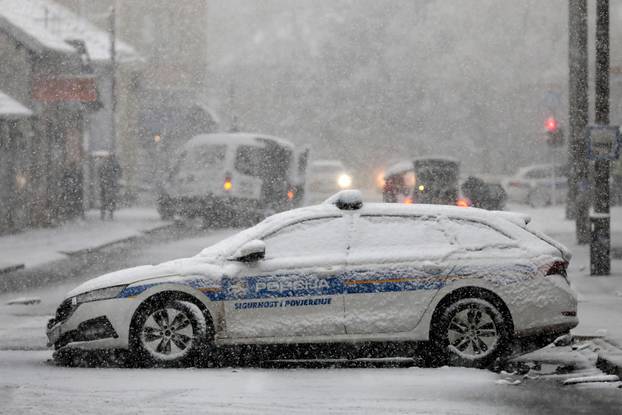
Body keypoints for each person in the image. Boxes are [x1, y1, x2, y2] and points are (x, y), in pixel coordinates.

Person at [99, 154, 122, 220]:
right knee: (110, 199)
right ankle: (109, 213)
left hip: (106, 184)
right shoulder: (114, 164)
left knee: (105, 200)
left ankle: (105, 214)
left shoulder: (105, 164)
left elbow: (100, 172)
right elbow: (119, 172)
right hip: (111, 184)